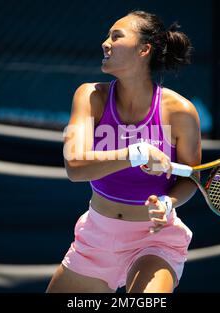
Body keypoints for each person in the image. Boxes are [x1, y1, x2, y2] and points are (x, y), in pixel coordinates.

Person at [46, 10, 201, 293]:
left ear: (144, 49)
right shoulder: (90, 95)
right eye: (107, 36)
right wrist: (135, 153)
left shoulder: (181, 111)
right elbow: (75, 167)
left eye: (116, 37)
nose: (105, 43)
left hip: (154, 240)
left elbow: (190, 177)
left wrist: (169, 202)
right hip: (97, 237)